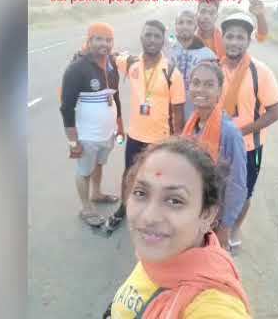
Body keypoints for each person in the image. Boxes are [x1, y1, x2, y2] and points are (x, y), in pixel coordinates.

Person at [104, 137, 251, 318]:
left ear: (207, 215)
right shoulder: (164, 254)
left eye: (175, 201)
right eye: (140, 193)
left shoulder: (212, 305)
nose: (149, 217)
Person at [104, 20, 186, 232]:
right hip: (135, 135)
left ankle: (155, 216)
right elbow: (109, 56)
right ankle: (124, 208)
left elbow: (178, 113)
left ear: (162, 41)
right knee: (129, 174)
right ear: (141, 37)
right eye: (147, 35)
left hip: (161, 139)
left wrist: (176, 145)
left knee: (158, 180)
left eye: (156, 36)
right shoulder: (131, 63)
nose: (151, 40)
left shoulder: (172, 72)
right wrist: (85, 52)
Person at [219, 12, 278, 240]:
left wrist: (240, 132)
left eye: (240, 37)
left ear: (248, 40)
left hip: (249, 148)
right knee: (217, 187)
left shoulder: (261, 72)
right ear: (222, 38)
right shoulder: (216, 67)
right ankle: (217, 228)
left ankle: (234, 231)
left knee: (243, 191)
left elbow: (276, 111)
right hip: (218, 145)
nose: (234, 42)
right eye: (230, 36)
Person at [59, 22, 125, 227]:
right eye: (98, 39)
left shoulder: (112, 64)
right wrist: (73, 142)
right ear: (89, 41)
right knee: (84, 170)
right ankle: (86, 208)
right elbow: (66, 108)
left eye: (108, 40)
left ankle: (96, 194)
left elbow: (116, 96)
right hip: (87, 135)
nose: (104, 44)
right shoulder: (76, 69)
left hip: (107, 133)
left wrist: (120, 126)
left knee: (98, 164)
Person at [182, 61, 247, 250]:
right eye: (196, 83)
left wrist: (225, 226)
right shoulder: (193, 122)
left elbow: (237, 185)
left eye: (209, 85)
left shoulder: (229, 133)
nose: (201, 89)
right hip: (190, 209)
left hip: (212, 218)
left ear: (219, 91)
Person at [167, 9, 217, 119]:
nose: (185, 26)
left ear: (195, 27)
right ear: (175, 26)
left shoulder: (208, 55)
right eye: (181, 23)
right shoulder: (165, 52)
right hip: (167, 114)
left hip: (196, 115)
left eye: (189, 23)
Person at [196, 0, 269, 60]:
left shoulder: (227, 36)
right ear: (196, 14)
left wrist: (260, 15)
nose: (206, 17)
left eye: (212, 13)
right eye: (203, 11)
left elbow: (261, 36)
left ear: (217, 16)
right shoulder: (189, 38)